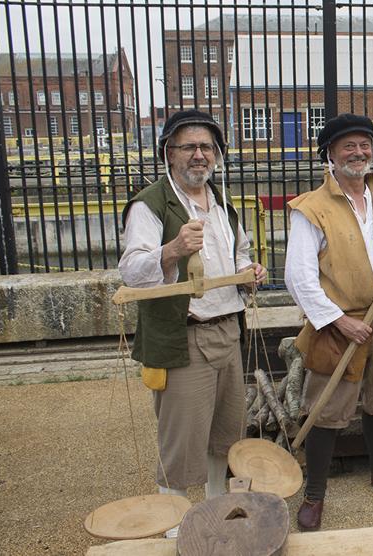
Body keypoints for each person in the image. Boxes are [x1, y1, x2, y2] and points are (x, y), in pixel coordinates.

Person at [118, 110, 266, 527]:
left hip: (227, 330)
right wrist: (172, 250)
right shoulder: (150, 205)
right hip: (184, 338)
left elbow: (238, 255)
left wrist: (249, 272)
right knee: (182, 442)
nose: (199, 155)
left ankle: (216, 509)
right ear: (169, 153)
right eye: (189, 147)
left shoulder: (221, 203)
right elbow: (131, 271)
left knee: (225, 435)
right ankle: (174, 524)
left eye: (207, 147)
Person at [284, 113, 373, 532]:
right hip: (336, 326)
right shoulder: (310, 209)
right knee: (326, 408)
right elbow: (298, 276)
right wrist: (338, 321)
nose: (359, 153)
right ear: (328, 154)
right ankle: (314, 495)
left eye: (365, 145)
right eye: (348, 146)